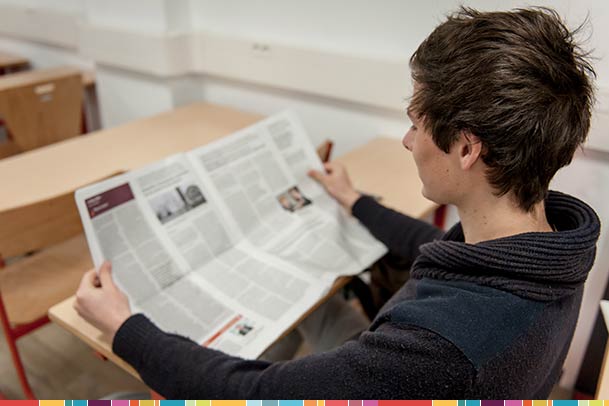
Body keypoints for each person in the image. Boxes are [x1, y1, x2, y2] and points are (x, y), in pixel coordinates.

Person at [74, 7, 600, 398]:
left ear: (466, 148)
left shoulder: (437, 351)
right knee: (315, 298)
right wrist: (354, 201)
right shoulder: (547, 247)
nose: (408, 140)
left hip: (386, 371)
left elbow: (258, 392)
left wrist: (126, 328)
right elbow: (438, 246)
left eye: (416, 123)